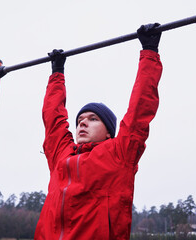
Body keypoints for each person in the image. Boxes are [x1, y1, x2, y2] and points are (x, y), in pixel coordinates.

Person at [34, 23, 163, 240]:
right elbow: (53, 119)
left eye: (93, 119)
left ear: (109, 133)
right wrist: (57, 73)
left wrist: (149, 52)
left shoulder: (119, 154)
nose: (83, 123)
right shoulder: (62, 155)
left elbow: (140, 109)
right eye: (80, 120)